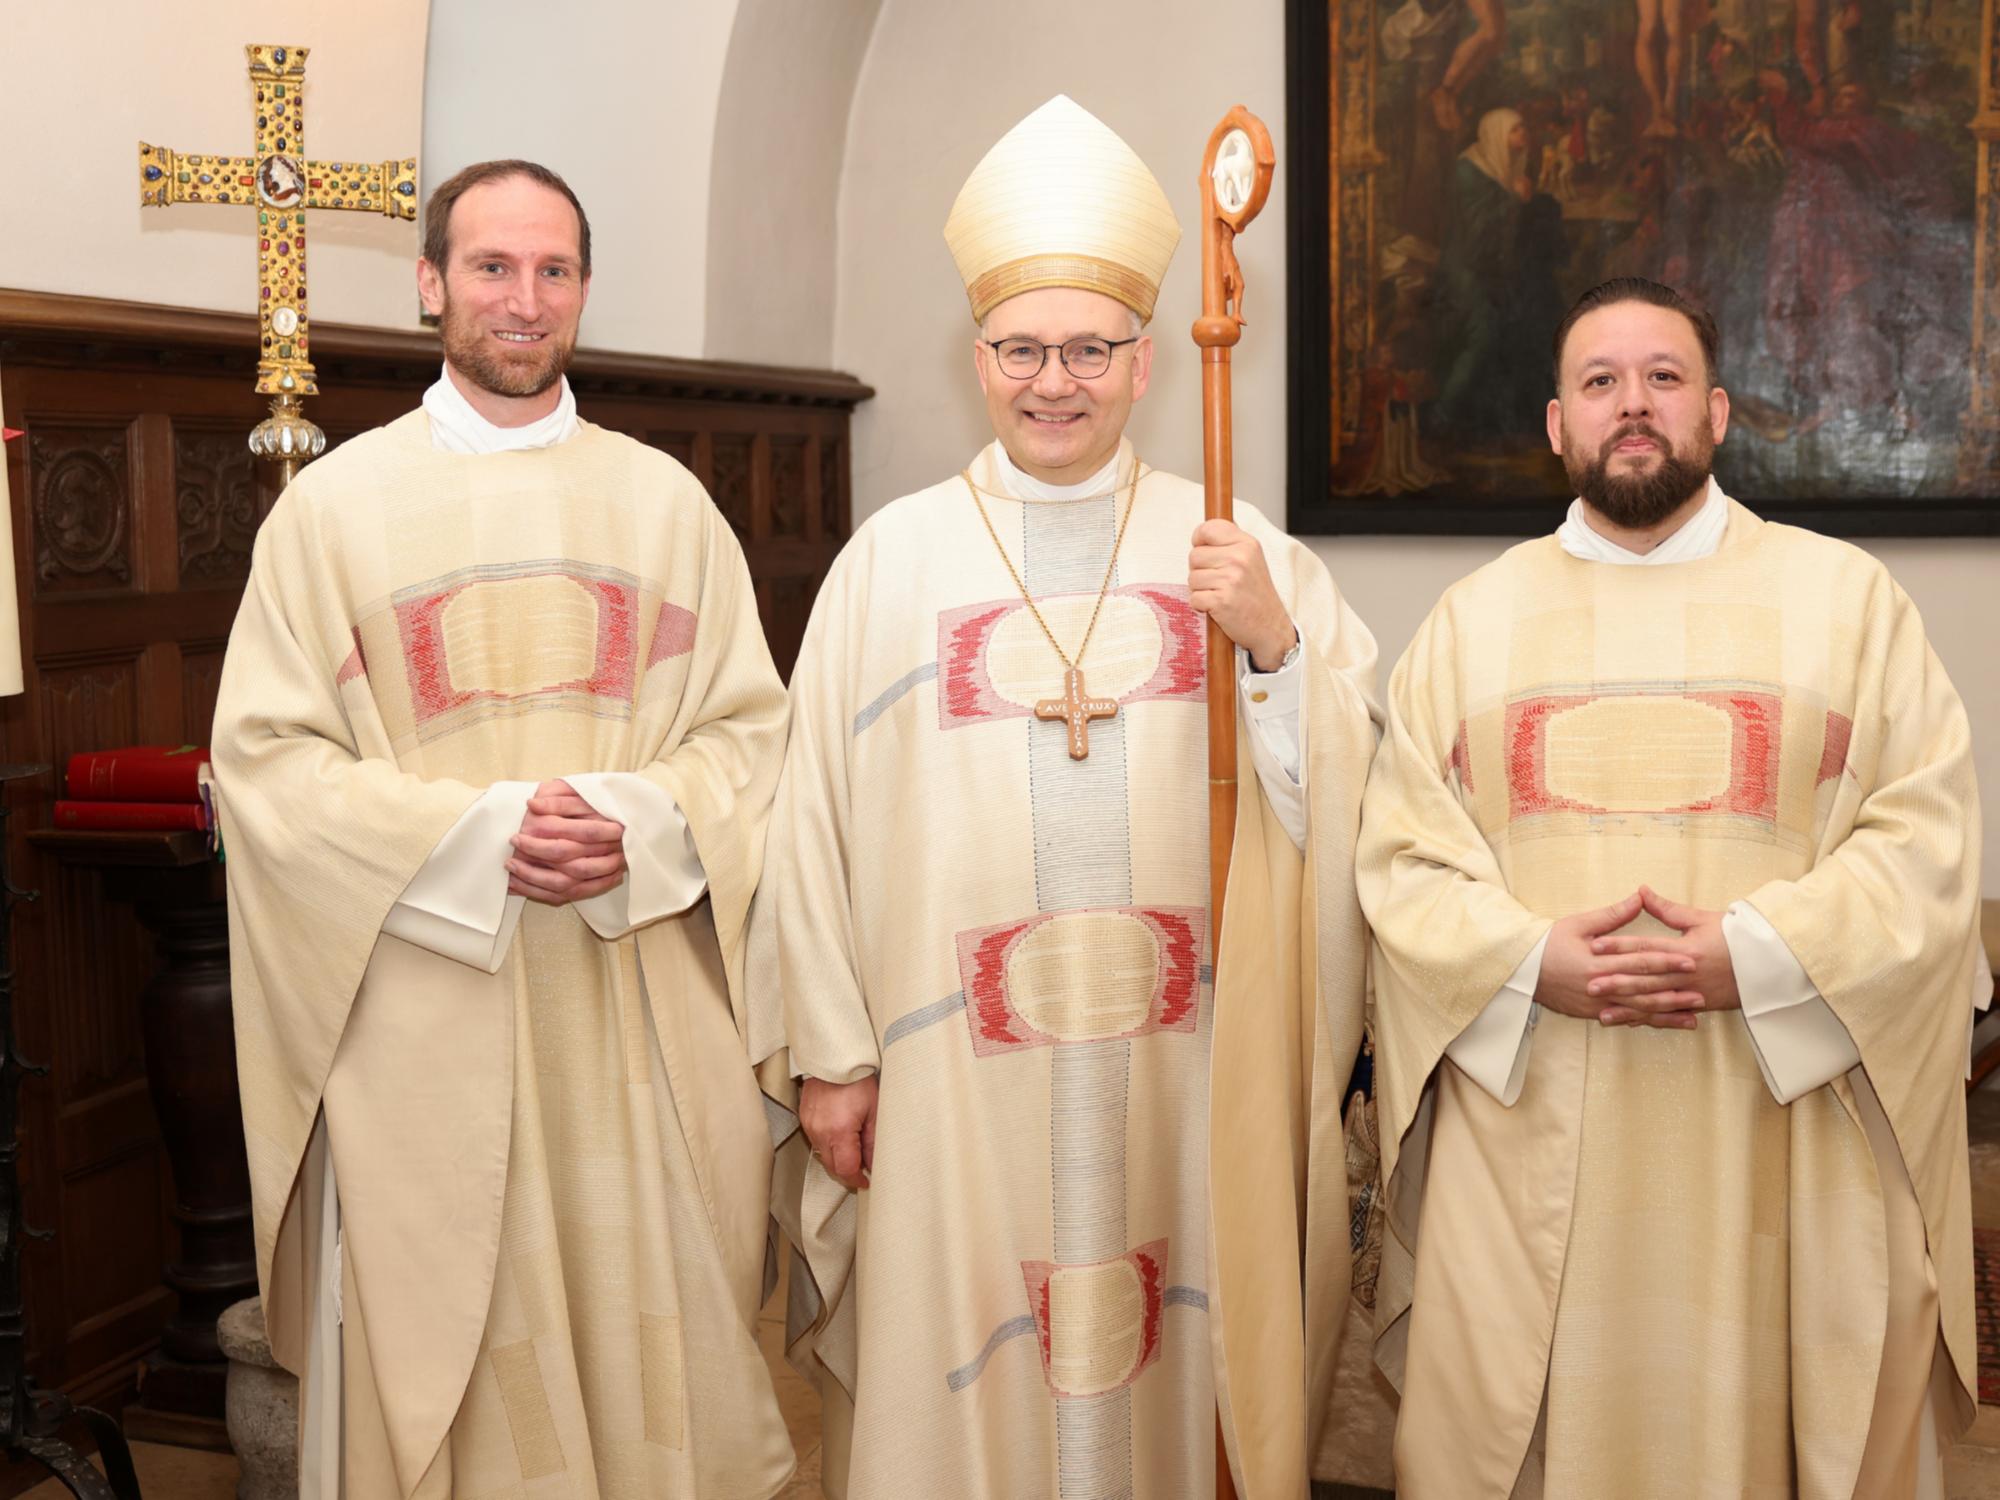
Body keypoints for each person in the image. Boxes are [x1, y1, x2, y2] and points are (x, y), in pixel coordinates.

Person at [753, 96, 1382, 1499]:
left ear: (1145, 360)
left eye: (1089, 349)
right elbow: (807, 829)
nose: (1057, 382)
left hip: (1183, 1081)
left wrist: (1274, 648)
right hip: (947, 1089)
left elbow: (1356, 797)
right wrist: (835, 1054)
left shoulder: (1235, 545)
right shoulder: (889, 564)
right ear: (976, 358)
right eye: (1024, 350)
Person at [213, 158, 796, 1499]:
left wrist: (640, 821)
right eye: (491, 268)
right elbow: (265, 767)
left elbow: (754, 743)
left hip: (632, 1009)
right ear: (431, 286)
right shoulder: (330, 515)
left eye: (552, 271)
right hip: (422, 1019)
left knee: (652, 1353)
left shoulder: (667, 507)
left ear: (584, 290)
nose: (522, 301)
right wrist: (480, 836)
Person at [1361, 276, 1988, 1498]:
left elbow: (1926, 837)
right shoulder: (1466, 624)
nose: (1629, 406)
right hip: (1530, 1126)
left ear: (1714, 411)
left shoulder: (1846, 601)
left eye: (1659, 379)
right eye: (1599, 383)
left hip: (1779, 1133)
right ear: (1556, 424)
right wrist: (1530, 962)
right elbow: (1402, 859)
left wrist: (1754, 956)